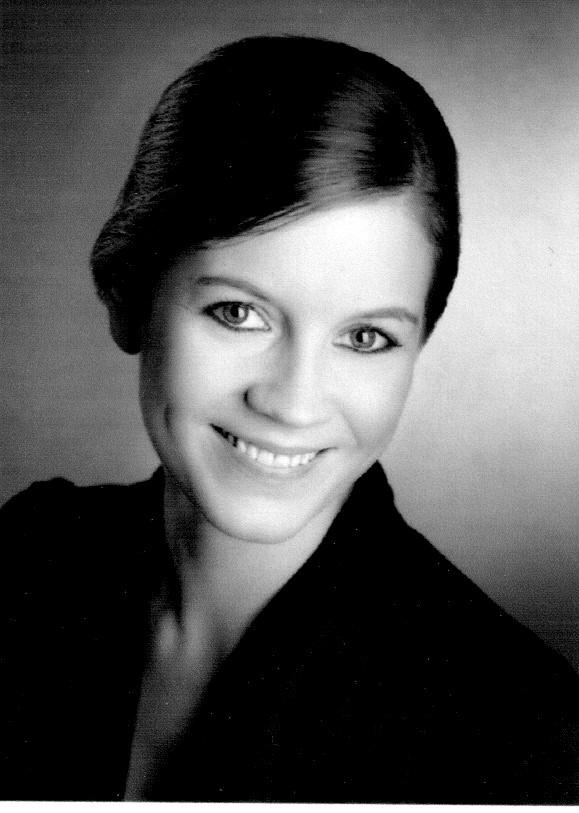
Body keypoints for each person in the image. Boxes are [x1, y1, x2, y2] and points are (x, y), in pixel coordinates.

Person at [0, 35, 576, 803]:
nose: (293, 402)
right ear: (132, 297)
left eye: (365, 337)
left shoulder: (513, 728)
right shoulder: (31, 558)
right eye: (239, 312)